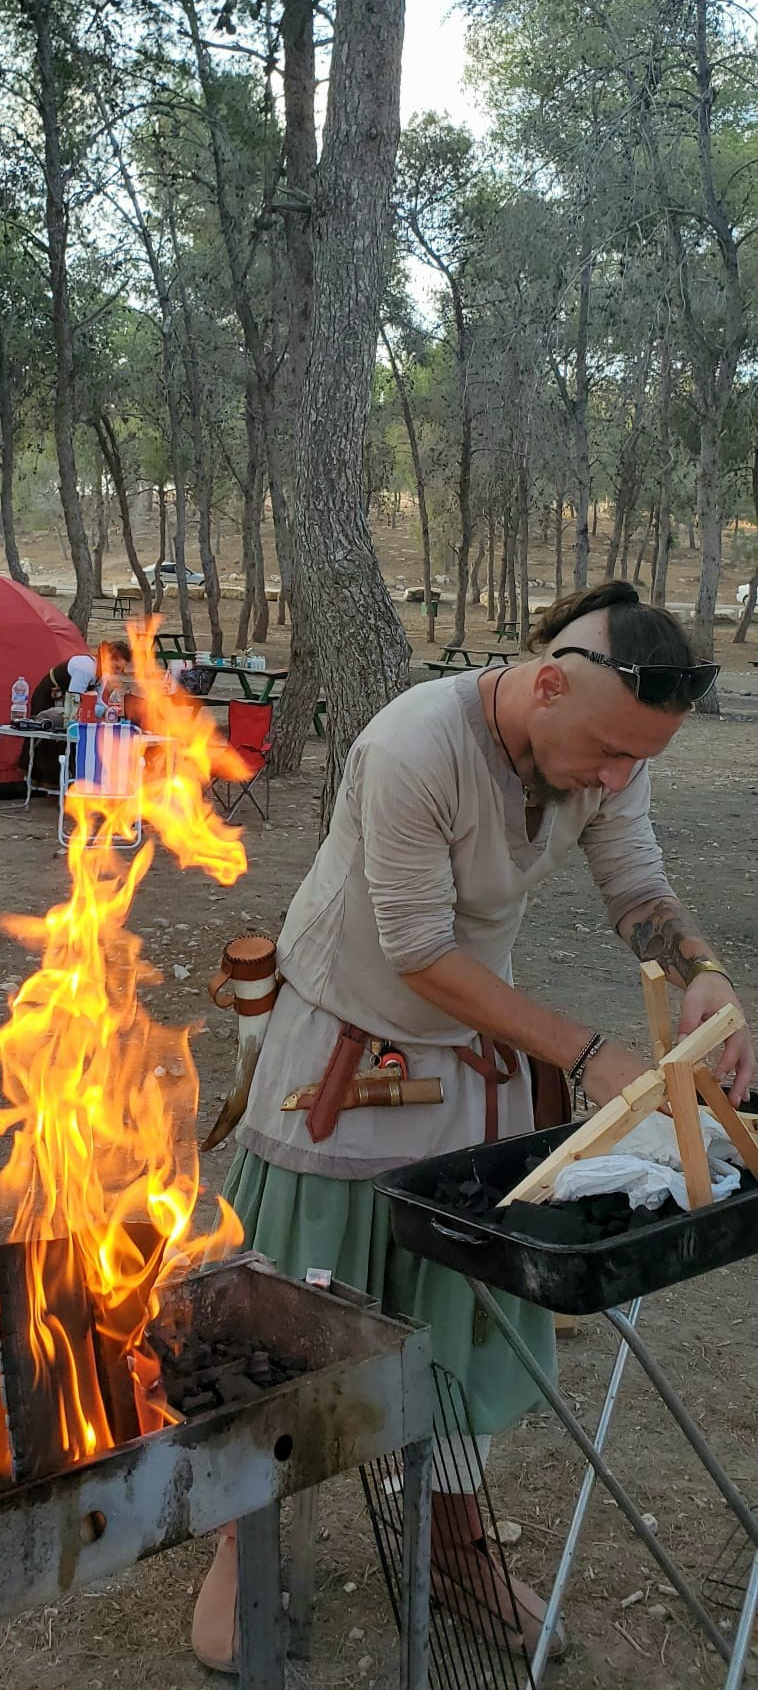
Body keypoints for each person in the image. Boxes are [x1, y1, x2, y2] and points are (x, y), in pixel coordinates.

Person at [192, 582, 754, 1670]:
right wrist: (589, 1056)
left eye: (640, 762)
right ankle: (238, 1548)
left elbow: (635, 881)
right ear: (548, 685)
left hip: (470, 1061)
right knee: (287, 1319)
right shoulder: (412, 747)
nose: (617, 779)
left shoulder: (603, 750)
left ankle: (453, 1549)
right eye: (607, 754)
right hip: (344, 1043)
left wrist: (705, 978)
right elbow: (419, 951)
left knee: (454, 1315)